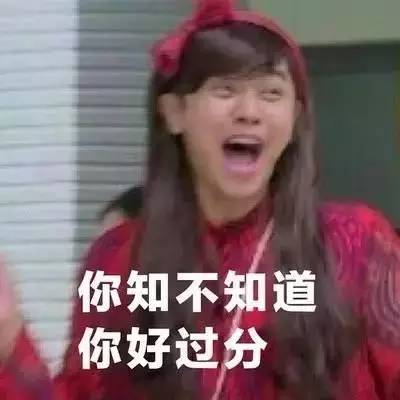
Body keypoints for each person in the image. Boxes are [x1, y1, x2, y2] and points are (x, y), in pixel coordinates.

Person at [0, 0, 400, 399]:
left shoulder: (357, 242)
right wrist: (8, 343)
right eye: (225, 89)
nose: (249, 111)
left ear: (295, 119)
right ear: (174, 112)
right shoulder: (116, 259)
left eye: (271, 93)